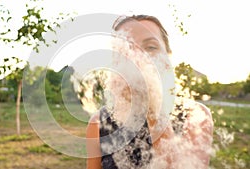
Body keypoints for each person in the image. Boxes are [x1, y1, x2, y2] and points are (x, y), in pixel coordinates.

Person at [86, 15, 213, 169]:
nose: (137, 58)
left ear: (168, 59)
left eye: (151, 47)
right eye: (125, 51)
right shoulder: (99, 123)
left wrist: (153, 111)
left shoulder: (196, 116)